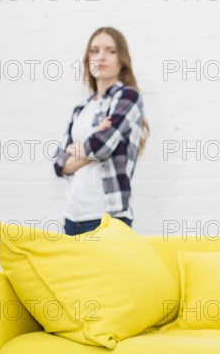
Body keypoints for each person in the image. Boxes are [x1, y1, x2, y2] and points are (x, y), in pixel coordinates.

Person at [53, 27, 149, 235]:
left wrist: (76, 149)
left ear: (122, 58)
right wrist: (94, 137)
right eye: (94, 51)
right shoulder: (81, 108)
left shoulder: (128, 97)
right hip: (72, 217)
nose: (101, 57)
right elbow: (58, 164)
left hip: (108, 217)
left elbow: (102, 147)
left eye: (111, 51)